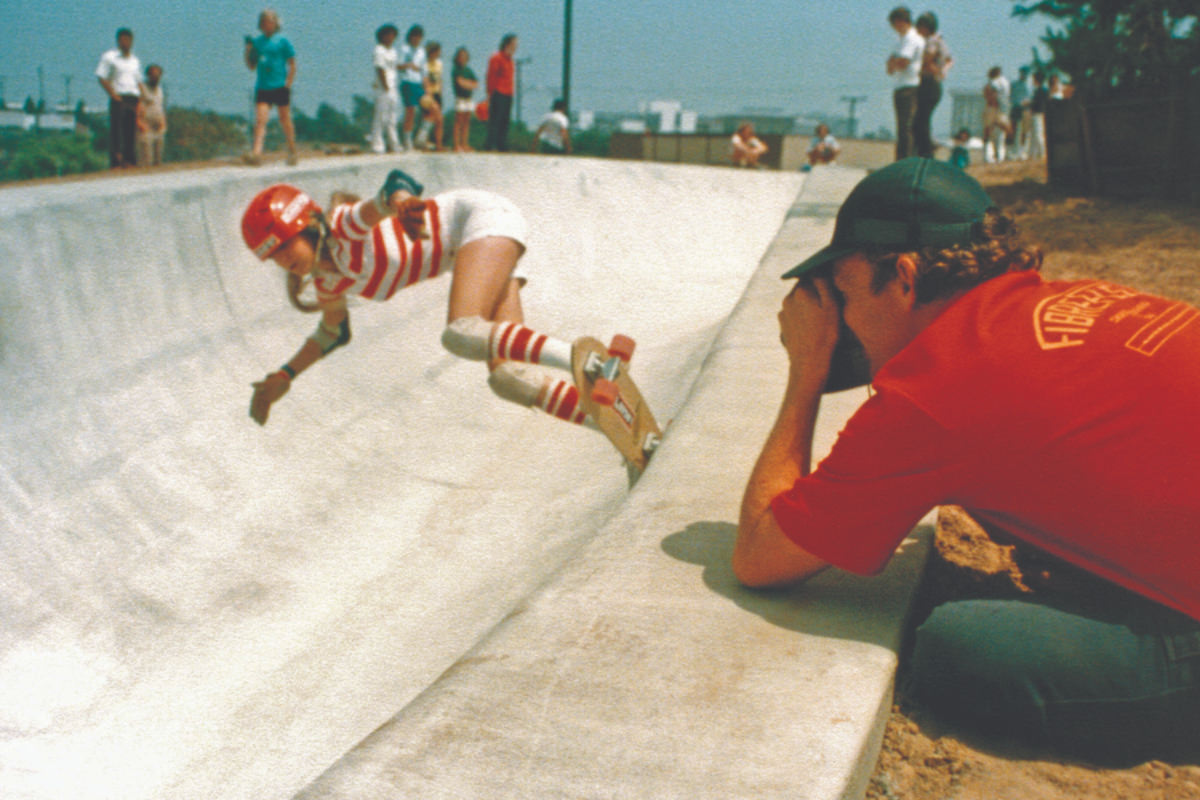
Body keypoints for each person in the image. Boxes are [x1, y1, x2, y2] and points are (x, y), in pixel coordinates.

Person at [733, 157, 1200, 762]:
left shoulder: (938, 387)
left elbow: (759, 555)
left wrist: (806, 372)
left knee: (959, 649)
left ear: (903, 276)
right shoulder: (1078, 298)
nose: (838, 320)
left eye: (842, 296)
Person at [241, 169, 595, 432]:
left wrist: (402, 203)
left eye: (284, 246)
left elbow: (393, 186)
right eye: (272, 257)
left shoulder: (342, 226)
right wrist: (283, 376)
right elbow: (332, 333)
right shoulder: (328, 281)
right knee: (510, 379)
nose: (283, 261)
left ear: (305, 225)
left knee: (461, 332)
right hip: (470, 253)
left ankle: (588, 362)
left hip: (481, 218)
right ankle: (607, 420)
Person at [244, 9, 298, 166]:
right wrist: (248, 50)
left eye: (269, 21)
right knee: (260, 120)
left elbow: (292, 63)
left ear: (275, 23)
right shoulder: (257, 42)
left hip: (280, 85)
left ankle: (292, 149)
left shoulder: (283, 41)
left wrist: (288, 83)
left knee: (285, 119)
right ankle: (256, 153)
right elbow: (251, 66)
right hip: (263, 86)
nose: (266, 24)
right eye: (263, 22)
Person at [95, 27, 142, 168]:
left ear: (132, 41)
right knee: (117, 131)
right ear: (118, 41)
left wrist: (142, 100)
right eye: (122, 40)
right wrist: (113, 94)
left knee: (130, 131)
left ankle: (129, 160)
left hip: (133, 97)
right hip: (119, 97)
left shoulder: (134, 60)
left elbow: (139, 81)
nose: (125, 42)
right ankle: (116, 161)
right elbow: (101, 77)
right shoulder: (110, 57)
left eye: (128, 40)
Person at [886, 7, 924, 161]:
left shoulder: (912, 39)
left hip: (909, 86)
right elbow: (890, 65)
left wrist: (894, 62)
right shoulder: (900, 41)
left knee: (906, 127)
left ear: (901, 22)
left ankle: (905, 159)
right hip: (900, 85)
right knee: (900, 127)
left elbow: (902, 62)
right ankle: (900, 158)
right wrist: (893, 62)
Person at [913, 12, 952, 159]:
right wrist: (943, 72)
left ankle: (926, 152)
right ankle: (926, 147)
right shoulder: (941, 40)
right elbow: (949, 60)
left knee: (920, 120)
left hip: (928, 83)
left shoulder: (932, 41)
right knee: (922, 119)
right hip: (934, 83)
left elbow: (928, 57)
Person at [369, 24, 401, 154]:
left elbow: (394, 68)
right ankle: (377, 144)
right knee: (381, 117)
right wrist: (386, 86)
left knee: (392, 118)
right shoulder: (379, 50)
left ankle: (393, 144)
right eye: (388, 35)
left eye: (392, 35)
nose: (390, 38)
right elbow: (380, 69)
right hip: (383, 88)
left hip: (393, 87)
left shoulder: (393, 51)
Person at [484, 33, 518, 152]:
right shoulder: (496, 58)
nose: (516, 47)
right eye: (514, 44)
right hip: (498, 92)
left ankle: (501, 144)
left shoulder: (511, 61)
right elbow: (491, 76)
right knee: (495, 120)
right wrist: (489, 93)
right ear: (507, 44)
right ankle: (490, 144)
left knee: (505, 120)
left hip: (508, 93)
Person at [397, 25, 427, 151]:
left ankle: (422, 135)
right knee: (410, 111)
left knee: (432, 109)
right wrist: (408, 65)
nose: (416, 39)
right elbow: (397, 65)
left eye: (419, 37)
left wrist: (426, 87)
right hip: (407, 81)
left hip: (418, 82)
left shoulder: (421, 51)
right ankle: (407, 139)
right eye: (414, 36)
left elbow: (424, 70)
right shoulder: (404, 49)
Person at [415, 41, 445, 151]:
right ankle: (424, 142)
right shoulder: (425, 65)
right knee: (435, 117)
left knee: (435, 119)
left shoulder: (439, 64)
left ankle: (438, 144)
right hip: (428, 94)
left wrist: (441, 92)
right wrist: (429, 94)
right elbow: (425, 79)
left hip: (437, 93)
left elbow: (440, 79)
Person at [136, 63, 167, 166]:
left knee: (158, 158)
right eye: (153, 75)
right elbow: (138, 104)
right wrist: (139, 122)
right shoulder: (142, 88)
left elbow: (161, 106)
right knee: (146, 157)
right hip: (146, 125)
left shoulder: (160, 90)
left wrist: (163, 122)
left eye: (158, 76)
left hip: (158, 126)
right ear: (148, 76)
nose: (156, 78)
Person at [450, 47, 478, 152]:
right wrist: (468, 83)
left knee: (467, 122)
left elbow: (476, 84)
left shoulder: (468, 70)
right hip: (460, 98)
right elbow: (460, 82)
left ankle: (464, 144)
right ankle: (456, 145)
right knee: (458, 121)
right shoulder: (456, 70)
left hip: (469, 98)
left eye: (464, 56)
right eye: (460, 56)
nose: (462, 58)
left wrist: (467, 84)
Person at [982, 66, 1012, 163]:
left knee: (988, 129)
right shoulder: (1006, 82)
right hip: (1004, 108)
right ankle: (1008, 152)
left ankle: (987, 155)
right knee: (1006, 129)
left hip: (993, 107)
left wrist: (990, 100)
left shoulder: (993, 82)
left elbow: (991, 93)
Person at [1010, 65, 1033, 160]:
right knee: (1013, 130)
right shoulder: (1014, 84)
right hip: (1016, 107)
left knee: (1024, 131)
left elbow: (1032, 98)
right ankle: (1012, 151)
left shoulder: (1030, 86)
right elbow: (1010, 96)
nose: (1024, 75)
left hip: (1026, 109)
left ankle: (1022, 151)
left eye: (1026, 73)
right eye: (1023, 73)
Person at [1028, 70, 1048, 161]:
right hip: (1038, 114)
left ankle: (1042, 153)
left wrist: (1030, 104)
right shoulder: (1042, 90)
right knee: (1034, 134)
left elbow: (1038, 103)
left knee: (1038, 134)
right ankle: (1033, 154)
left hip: (1038, 114)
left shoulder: (1041, 90)